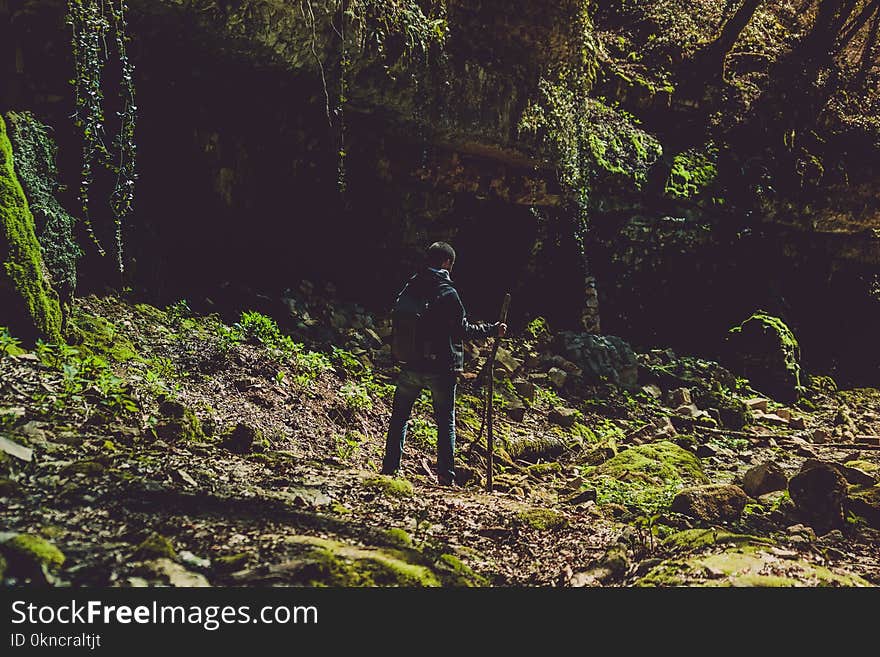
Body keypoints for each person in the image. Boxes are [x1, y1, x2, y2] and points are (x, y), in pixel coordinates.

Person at [381, 242, 507, 486]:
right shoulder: (448, 292)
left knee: (399, 418)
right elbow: (463, 330)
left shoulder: (412, 285)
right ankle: (445, 478)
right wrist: (493, 330)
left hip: (410, 363)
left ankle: (390, 470)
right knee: (445, 422)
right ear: (447, 263)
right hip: (441, 368)